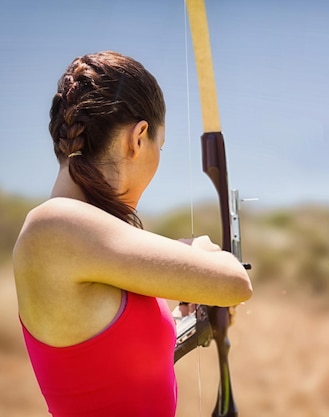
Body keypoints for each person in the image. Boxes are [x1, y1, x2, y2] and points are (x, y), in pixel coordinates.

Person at [12, 51, 252, 417]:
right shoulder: (53, 226)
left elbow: (111, 372)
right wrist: (200, 250)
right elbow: (235, 281)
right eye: (160, 147)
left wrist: (190, 323)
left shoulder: (87, 248)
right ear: (138, 138)